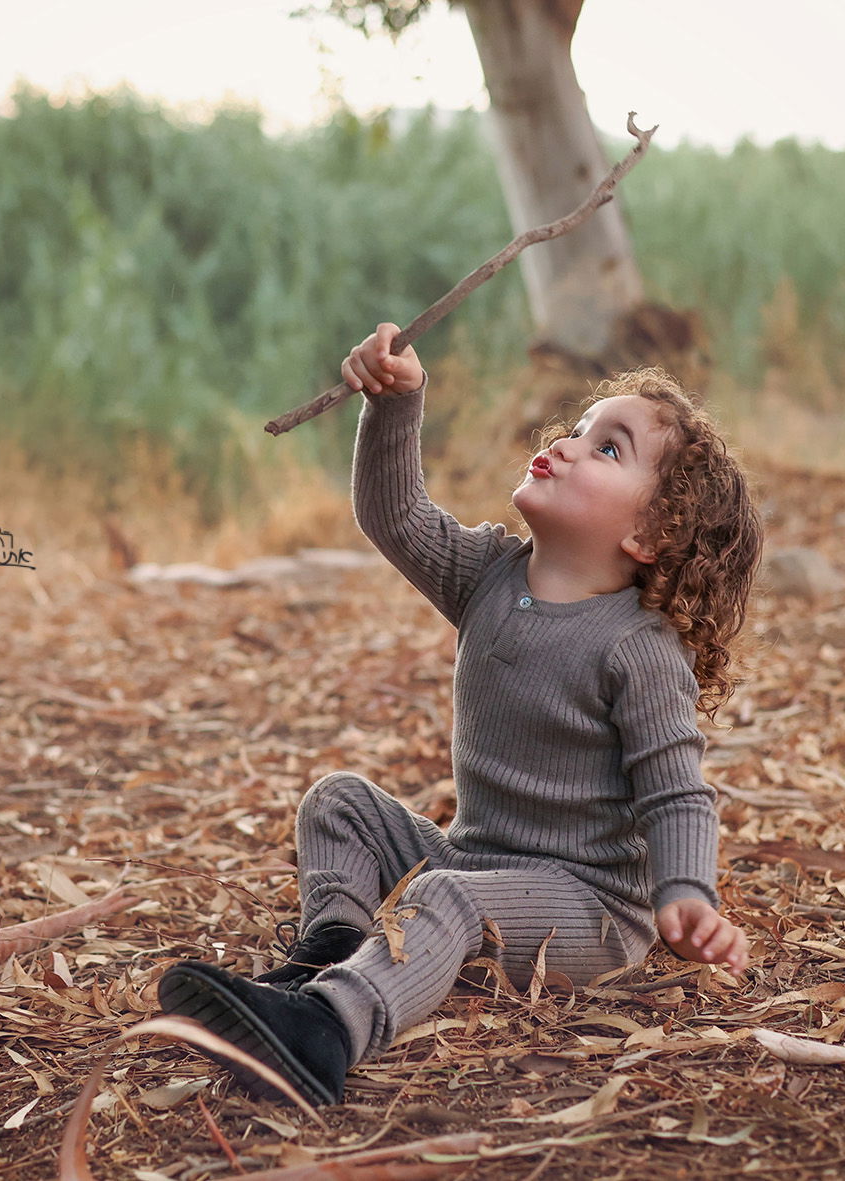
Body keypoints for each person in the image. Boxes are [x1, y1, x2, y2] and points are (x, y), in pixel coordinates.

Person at [158, 322, 762, 1107]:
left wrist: (687, 892)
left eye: (608, 448)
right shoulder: (491, 575)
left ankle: (325, 1033)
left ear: (652, 533)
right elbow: (394, 517)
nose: (568, 444)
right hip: (479, 863)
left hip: (588, 909)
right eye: (578, 428)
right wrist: (395, 404)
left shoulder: (638, 648)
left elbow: (676, 790)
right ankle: (329, 957)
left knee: (441, 899)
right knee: (340, 802)